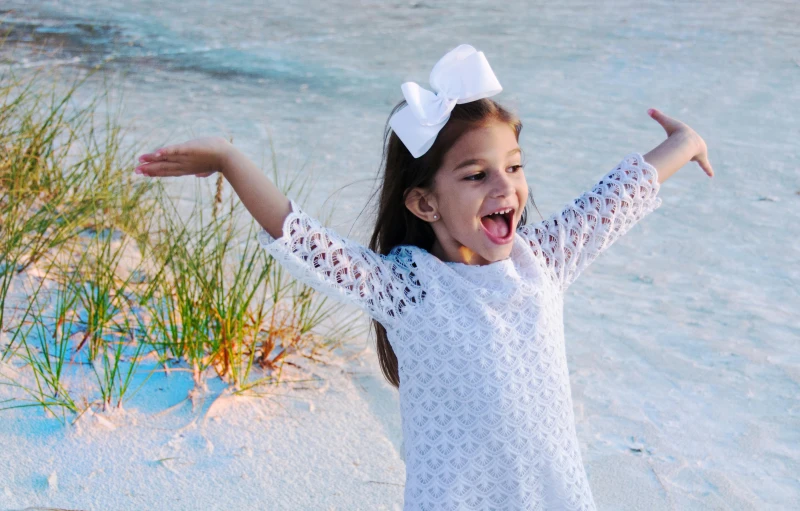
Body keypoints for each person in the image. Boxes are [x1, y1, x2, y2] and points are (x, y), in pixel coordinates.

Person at [135, 44, 713, 511]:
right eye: (476, 174)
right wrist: (230, 161)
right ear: (424, 204)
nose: (504, 187)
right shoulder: (408, 289)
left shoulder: (541, 262)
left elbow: (611, 200)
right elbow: (305, 239)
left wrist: (682, 145)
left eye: (514, 167)